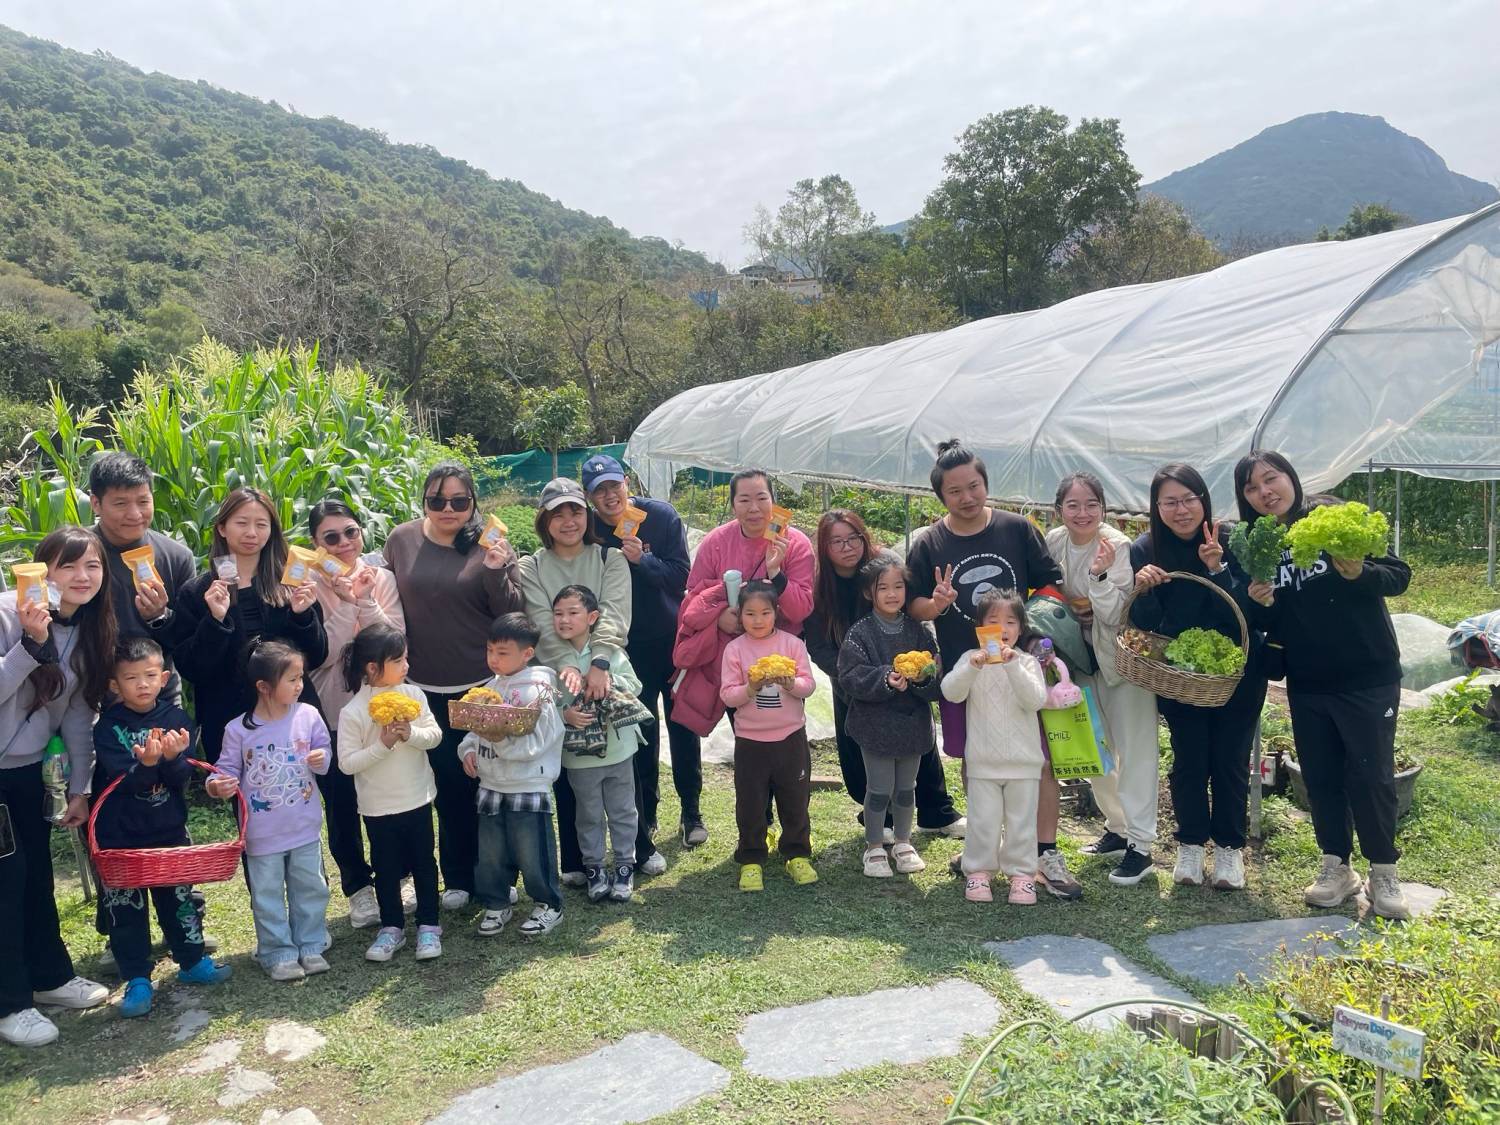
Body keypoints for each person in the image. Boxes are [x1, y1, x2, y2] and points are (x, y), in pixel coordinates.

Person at [1236, 451, 1412, 919]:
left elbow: (1398, 576)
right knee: (1321, 774)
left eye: (1270, 479)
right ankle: (1337, 866)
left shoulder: (1329, 516)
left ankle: (1384, 870)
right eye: (1252, 488)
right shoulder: (1261, 543)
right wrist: (1261, 602)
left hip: (1366, 674)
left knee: (1371, 773)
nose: (1264, 493)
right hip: (1309, 680)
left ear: (1290, 478)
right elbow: (1271, 621)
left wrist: (1359, 572)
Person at [906, 440, 1080, 898]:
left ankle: (1044, 854)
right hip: (967, 673)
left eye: (974, 486)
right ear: (940, 497)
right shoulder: (929, 543)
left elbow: (1048, 585)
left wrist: (1035, 640)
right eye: (955, 491)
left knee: (1037, 761)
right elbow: (914, 607)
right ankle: (981, 852)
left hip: (1020, 671)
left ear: (986, 484)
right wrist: (937, 603)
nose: (967, 497)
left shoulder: (1017, 529)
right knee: (973, 762)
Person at [383, 463, 522, 911]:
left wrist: (499, 570)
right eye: (437, 500)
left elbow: (512, 616)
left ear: (473, 504)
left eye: (459, 501)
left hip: (481, 685)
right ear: (423, 501)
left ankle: (501, 873)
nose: (448, 509)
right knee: (447, 785)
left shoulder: (492, 543)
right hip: (424, 688)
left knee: (491, 781)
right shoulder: (401, 540)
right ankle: (458, 877)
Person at [0, 527, 114, 1047]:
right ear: (42, 570)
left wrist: (80, 788)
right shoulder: (6, 614)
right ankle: (10, 1003)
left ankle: (48, 978)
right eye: (68, 566)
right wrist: (30, 644)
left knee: (37, 874)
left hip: (25, 772)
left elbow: (76, 716)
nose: (82, 577)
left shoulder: (89, 630)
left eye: (92, 566)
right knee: (7, 879)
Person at [1129, 463, 1266, 891]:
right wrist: (1145, 588)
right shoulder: (1146, 549)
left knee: (1229, 759)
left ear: (1204, 501)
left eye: (1189, 499)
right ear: (1156, 507)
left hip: (1240, 673)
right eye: (1170, 501)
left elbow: (1252, 611)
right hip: (1180, 676)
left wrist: (1217, 569)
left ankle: (1229, 850)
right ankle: (1190, 844)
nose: (1181, 509)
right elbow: (1149, 626)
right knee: (1189, 760)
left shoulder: (1231, 539)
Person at [92, 637, 231, 1018]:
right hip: (120, 835)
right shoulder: (108, 727)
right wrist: (149, 764)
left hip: (168, 830)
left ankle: (192, 961)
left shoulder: (175, 720)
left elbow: (181, 779)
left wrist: (170, 760)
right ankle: (136, 977)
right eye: (131, 677)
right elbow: (124, 780)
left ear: (164, 677)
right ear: (114, 685)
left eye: (150, 675)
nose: (142, 684)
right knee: (126, 910)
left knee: (180, 900)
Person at [804, 510, 963, 842]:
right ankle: (880, 817)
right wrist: (849, 674)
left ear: (864, 537)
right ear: (825, 546)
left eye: (853, 538)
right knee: (861, 747)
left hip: (905, 678)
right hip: (854, 680)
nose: (847, 547)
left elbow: (914, 612)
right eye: (837, 541)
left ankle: (937, 813)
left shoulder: (886, 564)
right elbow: (818, 644)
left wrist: (919, 665)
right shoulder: (821, 586)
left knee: (920, 746)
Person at [1045, 472, 1161, 886]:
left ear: (1103, 508)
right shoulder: (1054, 540)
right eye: (1072, 505)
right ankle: (1117, 827)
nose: (1082, 513)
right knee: (1092, 747)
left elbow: (1115, 613)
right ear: (1059, 509)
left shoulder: (1117, 546)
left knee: (1135, 749)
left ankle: (1142, 847)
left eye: (1091, 504)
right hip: (1077, 660)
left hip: (1120, 661)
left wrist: (1096, 579)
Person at [517, 477, 633, 890]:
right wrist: (570, 667)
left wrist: (598, 662)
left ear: (588, 515)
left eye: (576, 511)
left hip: (609, 670)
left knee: (622, 779)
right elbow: (542, 625)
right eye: (558, 513)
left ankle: (632, 854)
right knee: (576, 779)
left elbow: (615, 611)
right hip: (559, 679)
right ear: (544, 520)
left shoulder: (609, 560)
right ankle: (584, 862)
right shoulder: (530, 566)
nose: (568, 520)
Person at [582, 455, 700, 861]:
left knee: (682, 723)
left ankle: (692, 811)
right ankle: (646, 813)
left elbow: (682, 576)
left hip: (670, 639)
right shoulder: (588, 527)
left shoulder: (660, 517)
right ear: (589, 496)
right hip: (624, 649)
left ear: (627, 483)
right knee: (639, 730)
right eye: (599, 491)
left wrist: (643, 560)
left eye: (614, 485)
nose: (609, 495)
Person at [172, 487, 328, 764]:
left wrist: (302, 616)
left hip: (292, 715)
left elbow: (316, 656)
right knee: (245, 803)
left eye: (261, 524)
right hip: (229, 718)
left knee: (302, 795)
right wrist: (215, 621)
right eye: (241, 523)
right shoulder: (197, 592)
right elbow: (192, 668)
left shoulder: (290, 584)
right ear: (222, 528)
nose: (251, 533)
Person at [207, 641, 334, 979]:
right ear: (263, 687)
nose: (299, 685)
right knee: (267, 895)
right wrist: (217, 785)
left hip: (304, 825)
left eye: (300, 678)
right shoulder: (238, 730)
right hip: (262, 834)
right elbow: (225, 771)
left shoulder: (308, 715)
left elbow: (323, 750)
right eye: (291, 680)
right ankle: (277, 952)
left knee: (311, 887)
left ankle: (311, 943)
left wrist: (322, 759)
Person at [307, 499, 405, 930]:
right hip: (332, 712)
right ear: (316, 544)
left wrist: (364, 600)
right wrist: (347, 604)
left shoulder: (382, 578)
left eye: (351, 532)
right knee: (342, 806)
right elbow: (319, 655)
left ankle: (398, 877)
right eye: (331, 537)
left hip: (383, 708)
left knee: (389, 797)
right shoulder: (306, 586)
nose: (344, 543)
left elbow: (394, 644)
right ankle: (358, 889)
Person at [337, 624, 445, 962]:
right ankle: (392, 928)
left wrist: (410, 734)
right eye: (399, 661)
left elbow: (435, 736)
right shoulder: (353, 711)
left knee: (425, 863)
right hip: (377, 806)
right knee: (385, 868)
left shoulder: (413, 696)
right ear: (373, 668)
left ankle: (429, 925)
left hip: (416, 797)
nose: (406, 667)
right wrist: (382, 745)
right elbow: (347, 763)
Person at [836, 551, 944, 878]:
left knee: (906, 789)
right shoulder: (860, 633)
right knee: (879, 788)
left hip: (912, 725)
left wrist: (924, 678)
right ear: (870, 592)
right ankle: (873, 847)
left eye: (898, 587)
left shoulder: (919, 631)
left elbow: (935, 673)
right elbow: (850, 676)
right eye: (884, 588)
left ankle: (903, 842)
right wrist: (884, 678)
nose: (892, 594)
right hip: (875, 726)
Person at [940, 589, 1049, 905]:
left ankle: (1021, 875)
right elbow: (951, 692)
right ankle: (978, 872)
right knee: (982, 821)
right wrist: (973, 666)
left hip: (1024, 763)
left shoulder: (1027, 663)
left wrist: (1013, 666)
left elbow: (1035, 700)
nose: (1003, 628)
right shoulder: (970, 660)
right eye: (994, 620)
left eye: (1011, 621)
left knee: (1021, 823)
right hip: (983, 761)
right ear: (980, 627)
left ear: (1020, 628)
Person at [461, 612, 565, 938]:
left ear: (527, 653)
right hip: (492, 783)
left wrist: (499, 740)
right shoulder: (489, 687)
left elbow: (536, 744)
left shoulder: (539, 692)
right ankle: (496, 901)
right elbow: (472, 731)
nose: (493, 659)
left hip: (527, 783)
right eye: (490, 651)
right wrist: (468, 751)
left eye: (502, 653)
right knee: (491, 852)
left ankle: (549, 904)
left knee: (532, 851)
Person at [719, 580, 818, 892]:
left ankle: (796, 851)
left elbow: (808, 686)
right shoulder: (735, 650)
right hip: (750, 741)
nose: (758, 620)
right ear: (740, 616)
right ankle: (751, 856)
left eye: (764, 612)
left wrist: (789, 683)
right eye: (750, 614)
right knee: (750, 801)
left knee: (795, 798)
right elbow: (728, 696)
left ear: (776, 613)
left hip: (790, 738)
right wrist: (750, 687)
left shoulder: (792, 645)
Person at [552, 585, 643, 904]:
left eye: (573, 613)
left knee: (622, 811)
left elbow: (636, 684)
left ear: (592, 617)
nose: (564, 620)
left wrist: (609, 683)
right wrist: (566, 714)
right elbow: (543, 701)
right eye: (558, 614)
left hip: (619, 749)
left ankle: (624, 866)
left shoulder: (610, 654)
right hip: (578, 756)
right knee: (588, 814)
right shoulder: (553, 659)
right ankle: (593, 867)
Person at [87, 452, 196, 705]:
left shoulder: (177, 557)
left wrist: (161, 617)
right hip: (89, 697)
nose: (135, 514)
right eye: (121, 504)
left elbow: (188, 642)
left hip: (160, 697)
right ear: (95, 503)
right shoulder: (75, 555)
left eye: (143, 501)